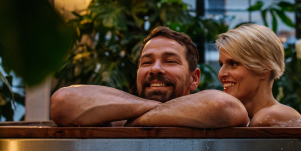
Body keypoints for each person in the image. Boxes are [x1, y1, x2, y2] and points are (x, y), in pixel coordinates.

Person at [51, 27, 249, 127]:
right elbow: (62, 102)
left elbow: (222, 106)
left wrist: (137, 121)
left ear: (194, 78)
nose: (155, 69)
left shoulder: (130, 119)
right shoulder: (119, 113)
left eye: (170, 61)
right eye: (146, 62)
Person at [215, 24, 301, 127]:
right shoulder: (249, 117)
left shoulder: (267, 118)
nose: (221, 74)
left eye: (233, 64)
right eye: (221, 64)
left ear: (264, 69)